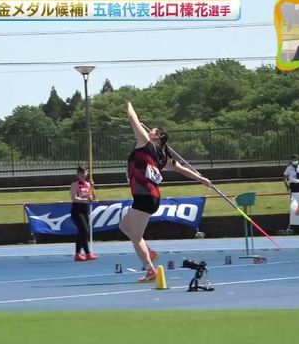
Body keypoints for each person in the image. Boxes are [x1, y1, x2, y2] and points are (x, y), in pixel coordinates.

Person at [120, 101, 212, 282]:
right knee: (124, 226)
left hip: (145, 196)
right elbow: (181, 169)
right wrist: (201, 179)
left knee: (136, 237)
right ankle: (150, 252)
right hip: (148, 196)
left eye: (152, 130)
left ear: (158, 136)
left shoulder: (146, 144)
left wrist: (130, 105)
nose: (149, 131)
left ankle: (150, 269)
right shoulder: (163, 156)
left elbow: (133, 118)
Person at [69, 166, 98, 262]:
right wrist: (85, 200)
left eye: (84, 173)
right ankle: (77, 253)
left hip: (85, 210)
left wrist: (93, 187)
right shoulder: (74, 184)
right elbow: (74, 198)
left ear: (87, 174)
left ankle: (88, 253)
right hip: (77, 211)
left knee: (83, 232)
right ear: (77, 175)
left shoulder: (88, 184)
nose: (82, 175)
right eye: (80, 173)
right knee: (84, 231)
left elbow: (93, 197)